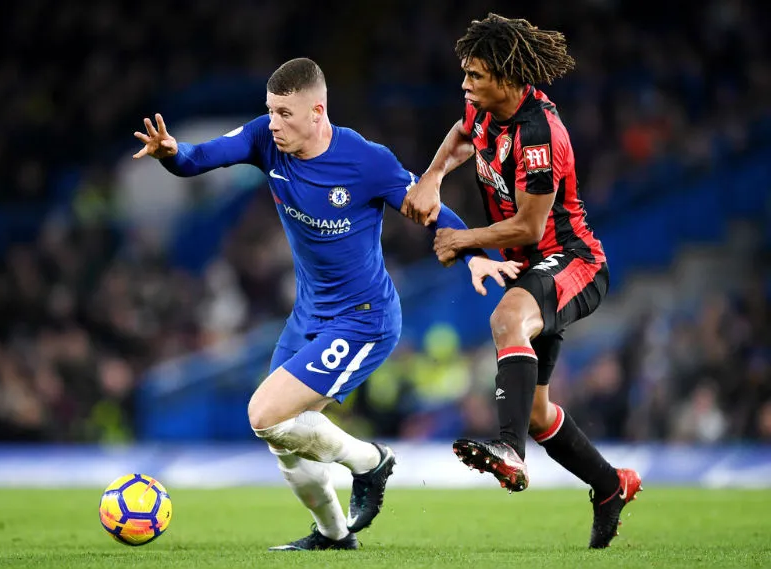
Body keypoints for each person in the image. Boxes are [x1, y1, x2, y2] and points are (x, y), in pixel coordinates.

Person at [133, 57, 522, 551]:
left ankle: (369, 463)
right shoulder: (263, 139)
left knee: (264, 414)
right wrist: (170, 152)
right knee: (282, 436)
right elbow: (198, 158)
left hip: (364, 321)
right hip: (308, 317)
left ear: (317, 112)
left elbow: (429, 207)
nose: (274, 124)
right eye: (270, 111)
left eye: (285, 114)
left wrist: (477, 255)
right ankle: (334, 536)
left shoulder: (365, 161)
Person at [401, 15, 642, 549]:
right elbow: (464, 133)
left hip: (571, 259)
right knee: (537, 413)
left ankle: (508, 451)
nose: (465, 86)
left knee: (506, 317)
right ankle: (609, 486)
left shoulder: (539, 133)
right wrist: (434, 177)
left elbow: (532, 226)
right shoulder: (484, 110)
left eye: (476, 76)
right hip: (531, 267)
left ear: (507, 78)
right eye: (464, 74)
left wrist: (465, 240)